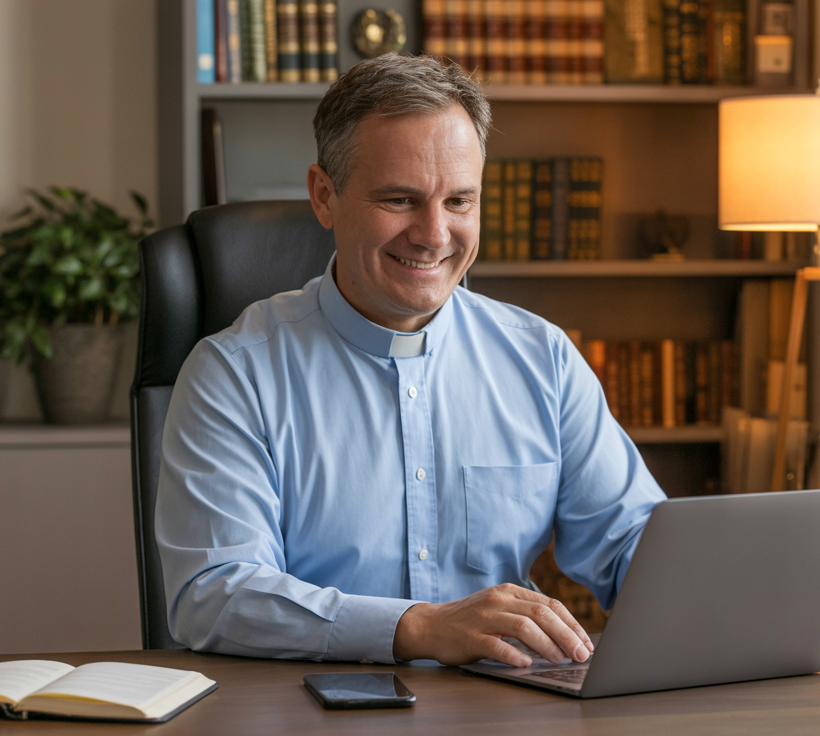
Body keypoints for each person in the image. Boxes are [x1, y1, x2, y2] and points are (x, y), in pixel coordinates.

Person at [155, 53, 666, 669]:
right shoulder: (235, 373)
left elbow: (637, 548)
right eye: (400, 199)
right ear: (324, 196)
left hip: (506, 707)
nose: (433, 233)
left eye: (459, 201)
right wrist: (416, 628)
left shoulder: (543, 358)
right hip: (309, 710)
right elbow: (213, 594)